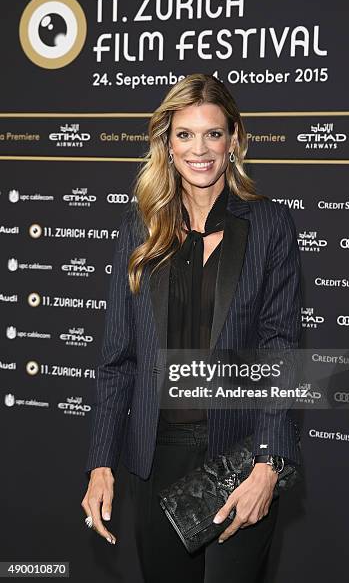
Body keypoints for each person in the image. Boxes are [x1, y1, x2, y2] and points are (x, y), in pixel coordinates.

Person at [81, 73, 302, 582]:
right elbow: (118, 360)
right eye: (184, 134)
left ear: (235, 139)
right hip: (157, 459)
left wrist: (267, 466)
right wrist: (100, 465)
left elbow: (280, 351)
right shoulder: (140, 230)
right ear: (167, 142)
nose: (199, 150)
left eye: (213, 133)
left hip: (238, 461)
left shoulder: (269, 226)